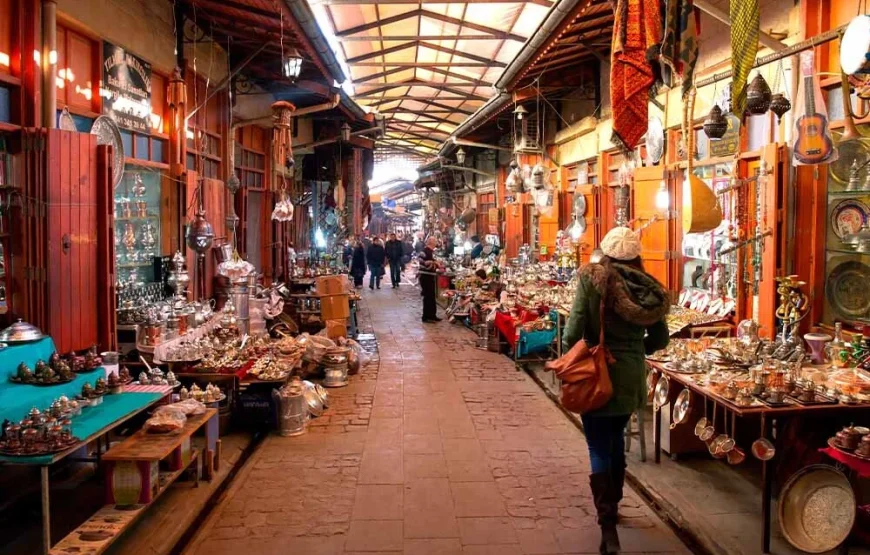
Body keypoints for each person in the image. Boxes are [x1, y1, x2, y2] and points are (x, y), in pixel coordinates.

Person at [561, 227, 669, 555]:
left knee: (598, 445)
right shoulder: (648, 289)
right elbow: (660, 339)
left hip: (597, 374)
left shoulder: (593, 280)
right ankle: (615, 505)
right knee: (616, 439)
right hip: (630, 376)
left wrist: (579, 352)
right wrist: (635, 349)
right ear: (637, 256)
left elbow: (574, 329)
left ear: (605, 252)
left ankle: (607, 525)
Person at [418, 236, 441, 322]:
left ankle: (432, 315)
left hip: (430, 276)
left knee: (432, 296)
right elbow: (422, 262)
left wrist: (435, 263)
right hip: (425, 276)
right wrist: (434, 263)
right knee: (428, 296)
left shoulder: (432, 252)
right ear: (431, 242)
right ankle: (426, 317)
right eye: (435, 241)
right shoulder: (424, 251)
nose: (436, 243)